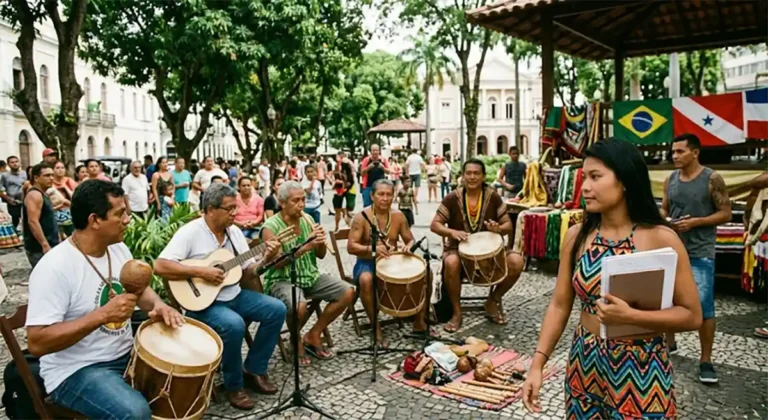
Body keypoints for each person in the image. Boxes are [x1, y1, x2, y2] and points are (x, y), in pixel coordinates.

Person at [522, 139, 703, 418]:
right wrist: (537, 364)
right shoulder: (577, 236)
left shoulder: (660, 238)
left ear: (626, 180)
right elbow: (559, 305)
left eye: (596, 177)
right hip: (584, 363)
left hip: (641, 368)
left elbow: (692, 316)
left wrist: (631, 316)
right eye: (585, 177)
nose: (585, 187)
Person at [25, 180, 183, 420]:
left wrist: (160, 306)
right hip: (76, 371)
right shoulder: (54, 268)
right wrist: (102, 315)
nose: (128, 219)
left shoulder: (117, 249)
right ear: (94, 221)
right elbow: (37, 342)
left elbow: (140, 291)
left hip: (127, 355)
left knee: (182, 376)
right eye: (120, 214)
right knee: (135, 413)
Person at [154, 183, 286, 410]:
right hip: (203, 304)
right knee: (234, 325)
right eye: (229, 209)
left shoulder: (234, 233)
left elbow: (247, 270)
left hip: (234, 296)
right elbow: (160, 265)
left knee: (277, 309)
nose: (235, 213)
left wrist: (265, 259)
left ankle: (254, 369)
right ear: (211, 209)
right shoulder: (191, 232)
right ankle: (234, 386)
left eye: (235, 208)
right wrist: (200, 271)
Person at [661, 133, 731, 384]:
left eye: (680, 151)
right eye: (673, 152)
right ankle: (669, 344)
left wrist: (697, 223)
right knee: (666, 297)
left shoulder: (712, 178)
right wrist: (665, 221)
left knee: (704, 306)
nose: (674, 156)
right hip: (672, 249)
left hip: (701, 251)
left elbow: (726, 213)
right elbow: (665, 209)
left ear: (695, 152)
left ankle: (706, 360)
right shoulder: (671, 179)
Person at [261, 181, 355, 366]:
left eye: (303, 199)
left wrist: (319, 241)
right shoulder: (270, 227)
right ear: (282, 202)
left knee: (348, 292)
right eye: (296, 201)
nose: (302, 205)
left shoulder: (308, 220)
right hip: (281, 279)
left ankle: (313, 334)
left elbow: (320, 255)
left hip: (309, 274)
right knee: (299, 306)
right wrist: (306, 247)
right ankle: (295, 341)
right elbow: (277, 263)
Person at [430, 158, 524, 332]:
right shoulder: (452, 197)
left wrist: (498, 229)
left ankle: (493, 300)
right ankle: (457, 313)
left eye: (476, 173)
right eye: (468, 173)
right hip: (457, 250)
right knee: (451, 263)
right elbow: (435, 224)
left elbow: (508, 226)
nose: (472, 177)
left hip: (490, 253)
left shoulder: (492, 196)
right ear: (463, 176)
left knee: (517, 262)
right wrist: (452, 233)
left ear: (483, 176)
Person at [348, 179, 433, 344]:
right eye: (381, 194)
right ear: (372, 196)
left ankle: (419, 322)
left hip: (393, 260)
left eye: (389, 195)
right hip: (367, 262)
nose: (385, 198)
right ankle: (376, 327)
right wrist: (372, 250)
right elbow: (351, 247)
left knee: (426, 272)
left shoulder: (398, 216)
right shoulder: (361, 217)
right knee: (366, 280)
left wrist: (407, 247)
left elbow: (410, 240)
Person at [23, 163, 60, 268]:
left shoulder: (42, 193)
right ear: (36, 178)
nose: (51, 178)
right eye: (47, 175)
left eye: (52, 175)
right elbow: (33, 221)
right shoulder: (35, 194)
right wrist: (44, 244)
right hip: (38, 249)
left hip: (50, 243)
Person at [51, 161, 76, 238]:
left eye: (62, 168)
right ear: (52, 170)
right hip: (53, 213)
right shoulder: (50, 182)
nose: (60, 170)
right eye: (57, 168)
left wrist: (65, 186)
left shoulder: (69, 181)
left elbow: (75, 197)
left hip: (69, 213)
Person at [332, 153, 356, 231]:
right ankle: (337, 226)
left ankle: (344, 224)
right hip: (340, 190)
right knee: (338, 210)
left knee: (347, 208)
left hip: (347, 189)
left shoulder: (347, 167)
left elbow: (351, 180)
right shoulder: (337, 168)